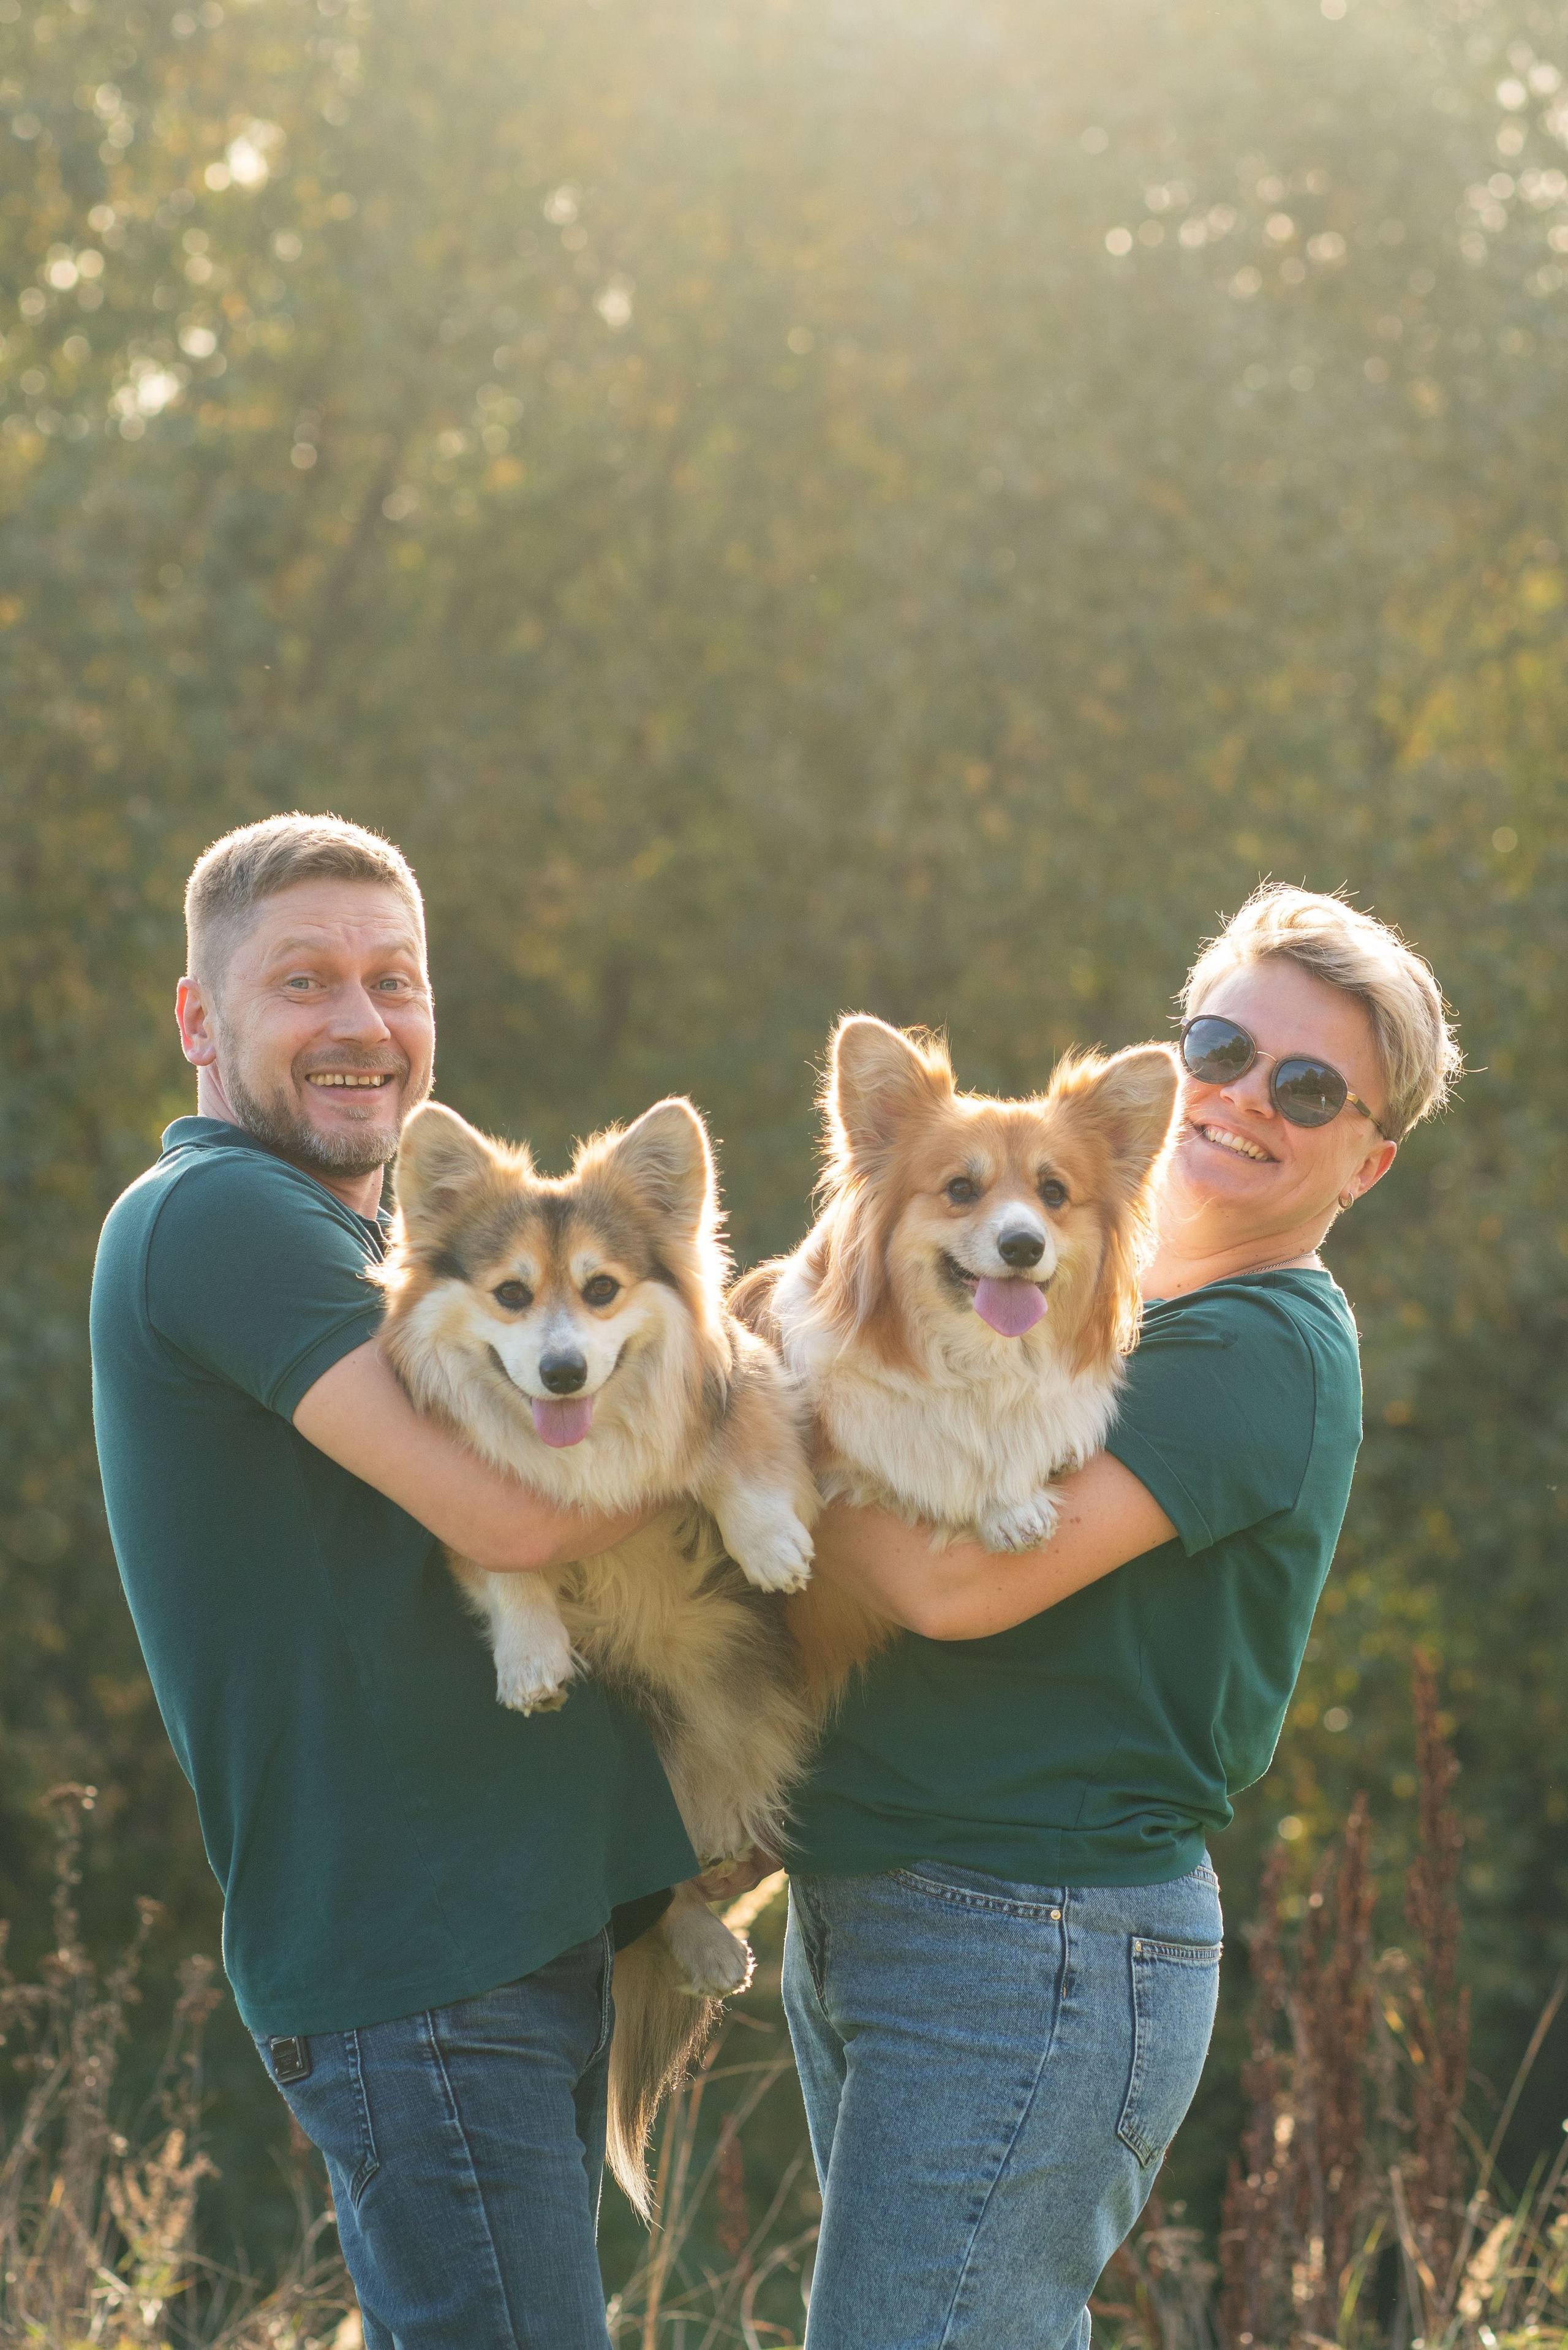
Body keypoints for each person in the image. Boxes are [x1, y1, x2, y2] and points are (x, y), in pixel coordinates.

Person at [779, 886, 1461, 2350]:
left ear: (1368, 1155)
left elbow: (948, 1580)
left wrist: (762, 1429)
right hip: (881, 1901)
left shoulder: (1252, 1348)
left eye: (1307, 1086)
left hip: (1032, 1932)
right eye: (1220, 1044)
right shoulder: (1086, 1307)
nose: (1241, 1098)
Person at [90, 813, 697, 2350]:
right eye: (303, 980)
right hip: (423, 1961)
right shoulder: (220, 1213)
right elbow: (510, 1513)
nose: (362, 1023)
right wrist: (757, 1405)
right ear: (198, 1020)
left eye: (394, 979)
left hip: (500, 1936)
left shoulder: (385, 1247)